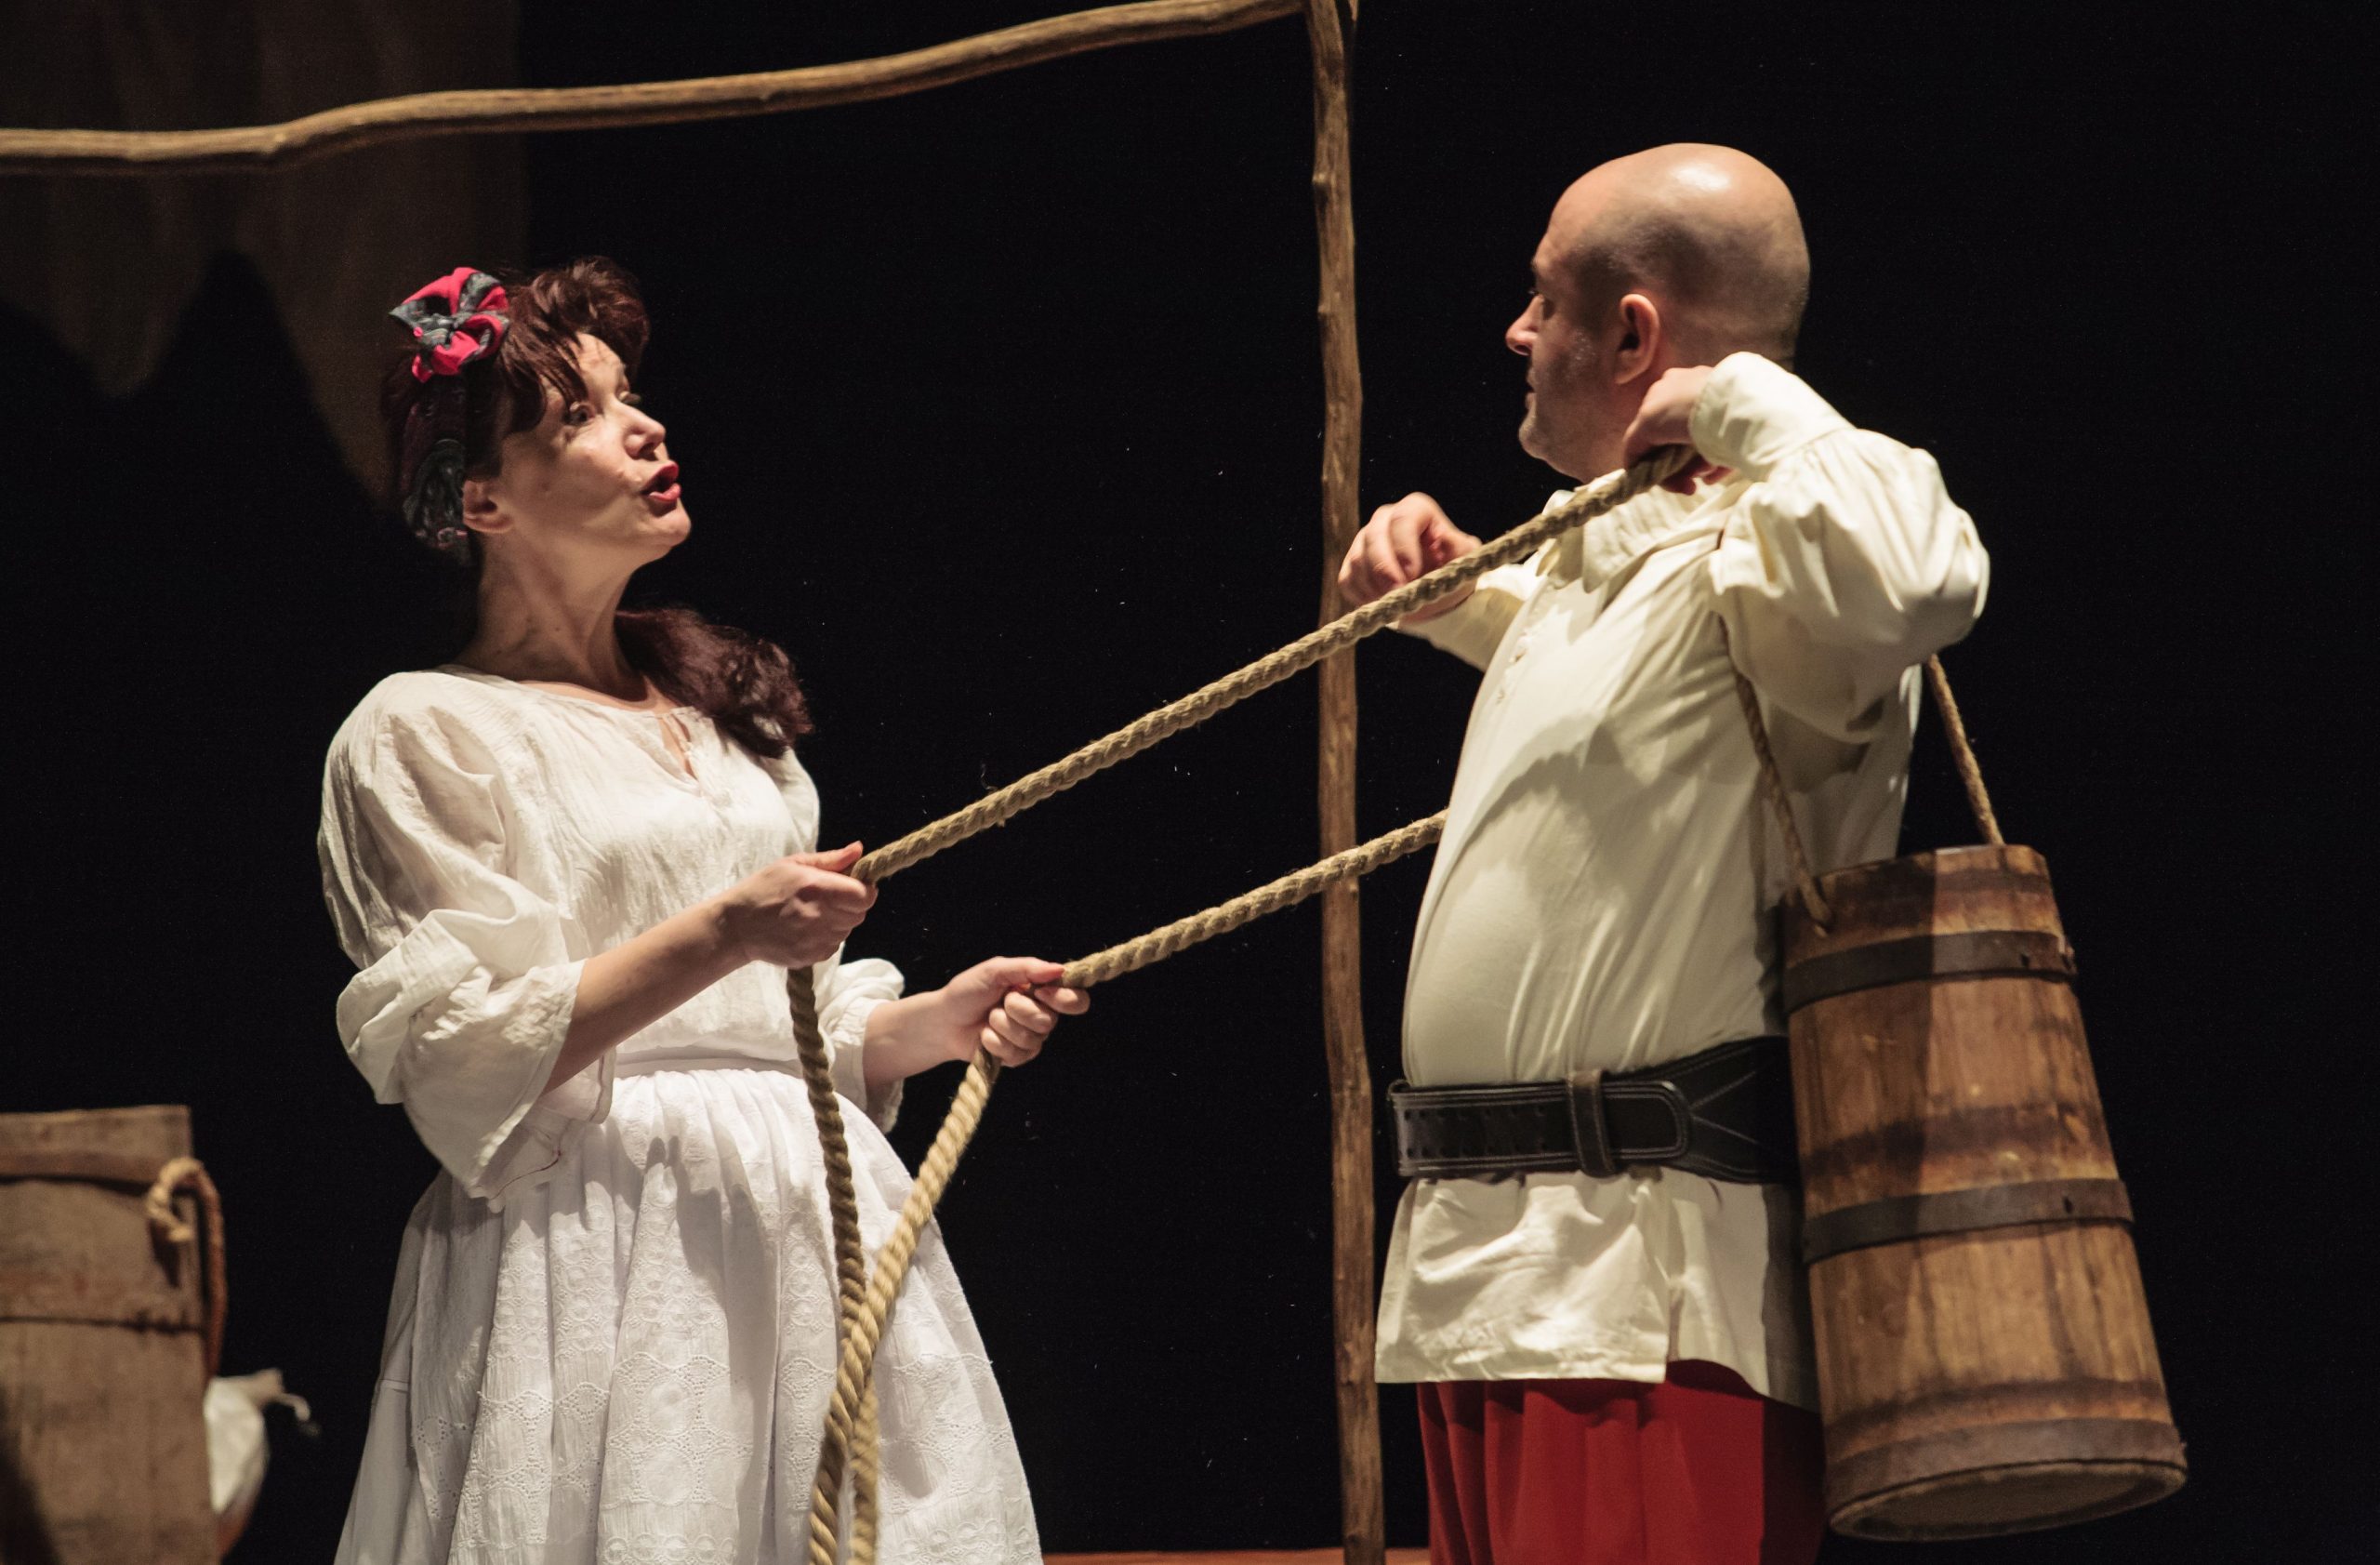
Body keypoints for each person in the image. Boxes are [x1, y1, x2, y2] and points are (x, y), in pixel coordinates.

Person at [320, 259, 1082, 1563]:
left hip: (805, 1213)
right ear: (484, 499)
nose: (644, 427)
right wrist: (727, 928)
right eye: (581, 415)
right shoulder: (426, 730)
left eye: (630, 396)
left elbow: (780, 1028)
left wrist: (930, 1027)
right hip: (599, 1235)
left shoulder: (724, 719)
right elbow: (470, 1051)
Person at [1337, 146, 1990, 1564]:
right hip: (1490, 1277)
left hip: (1646, 1298)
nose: (1518, 332)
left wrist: (1741, 394)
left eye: (1544, 299)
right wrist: (1458, 597)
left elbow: (1918, 574)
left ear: (1634, 332)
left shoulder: (1785, 558)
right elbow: (1641, 701)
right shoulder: (1625, 543)